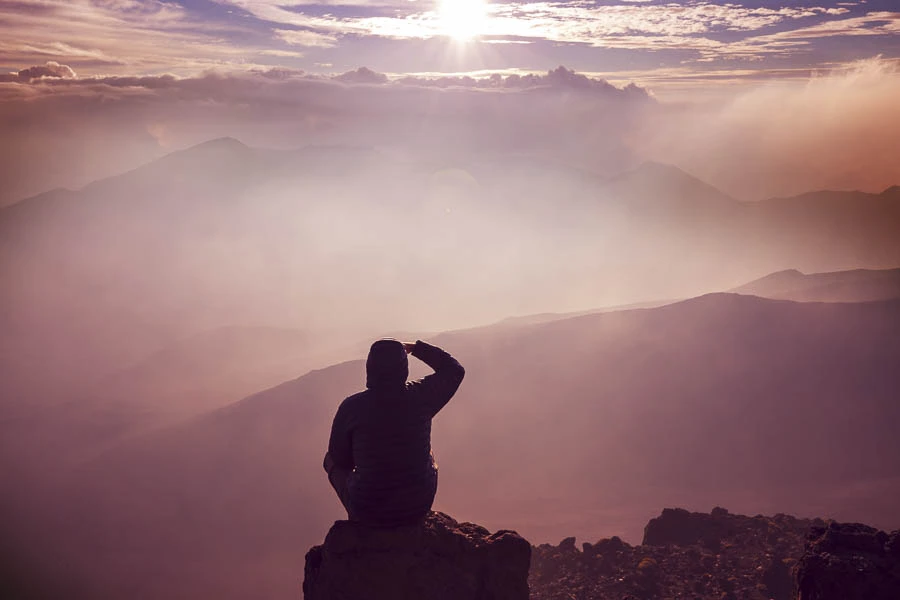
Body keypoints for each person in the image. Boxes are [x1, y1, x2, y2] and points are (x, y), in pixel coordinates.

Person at [323, 338, 465, 525]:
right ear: (403, 369)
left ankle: (360, 526)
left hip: (368, 510)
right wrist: (417, 349)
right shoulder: (422, 397)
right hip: (417, 506)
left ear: (369, 368)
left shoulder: (352, 407)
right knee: (428, 454)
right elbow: (454, 370)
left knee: (330, 460)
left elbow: (340, 458)